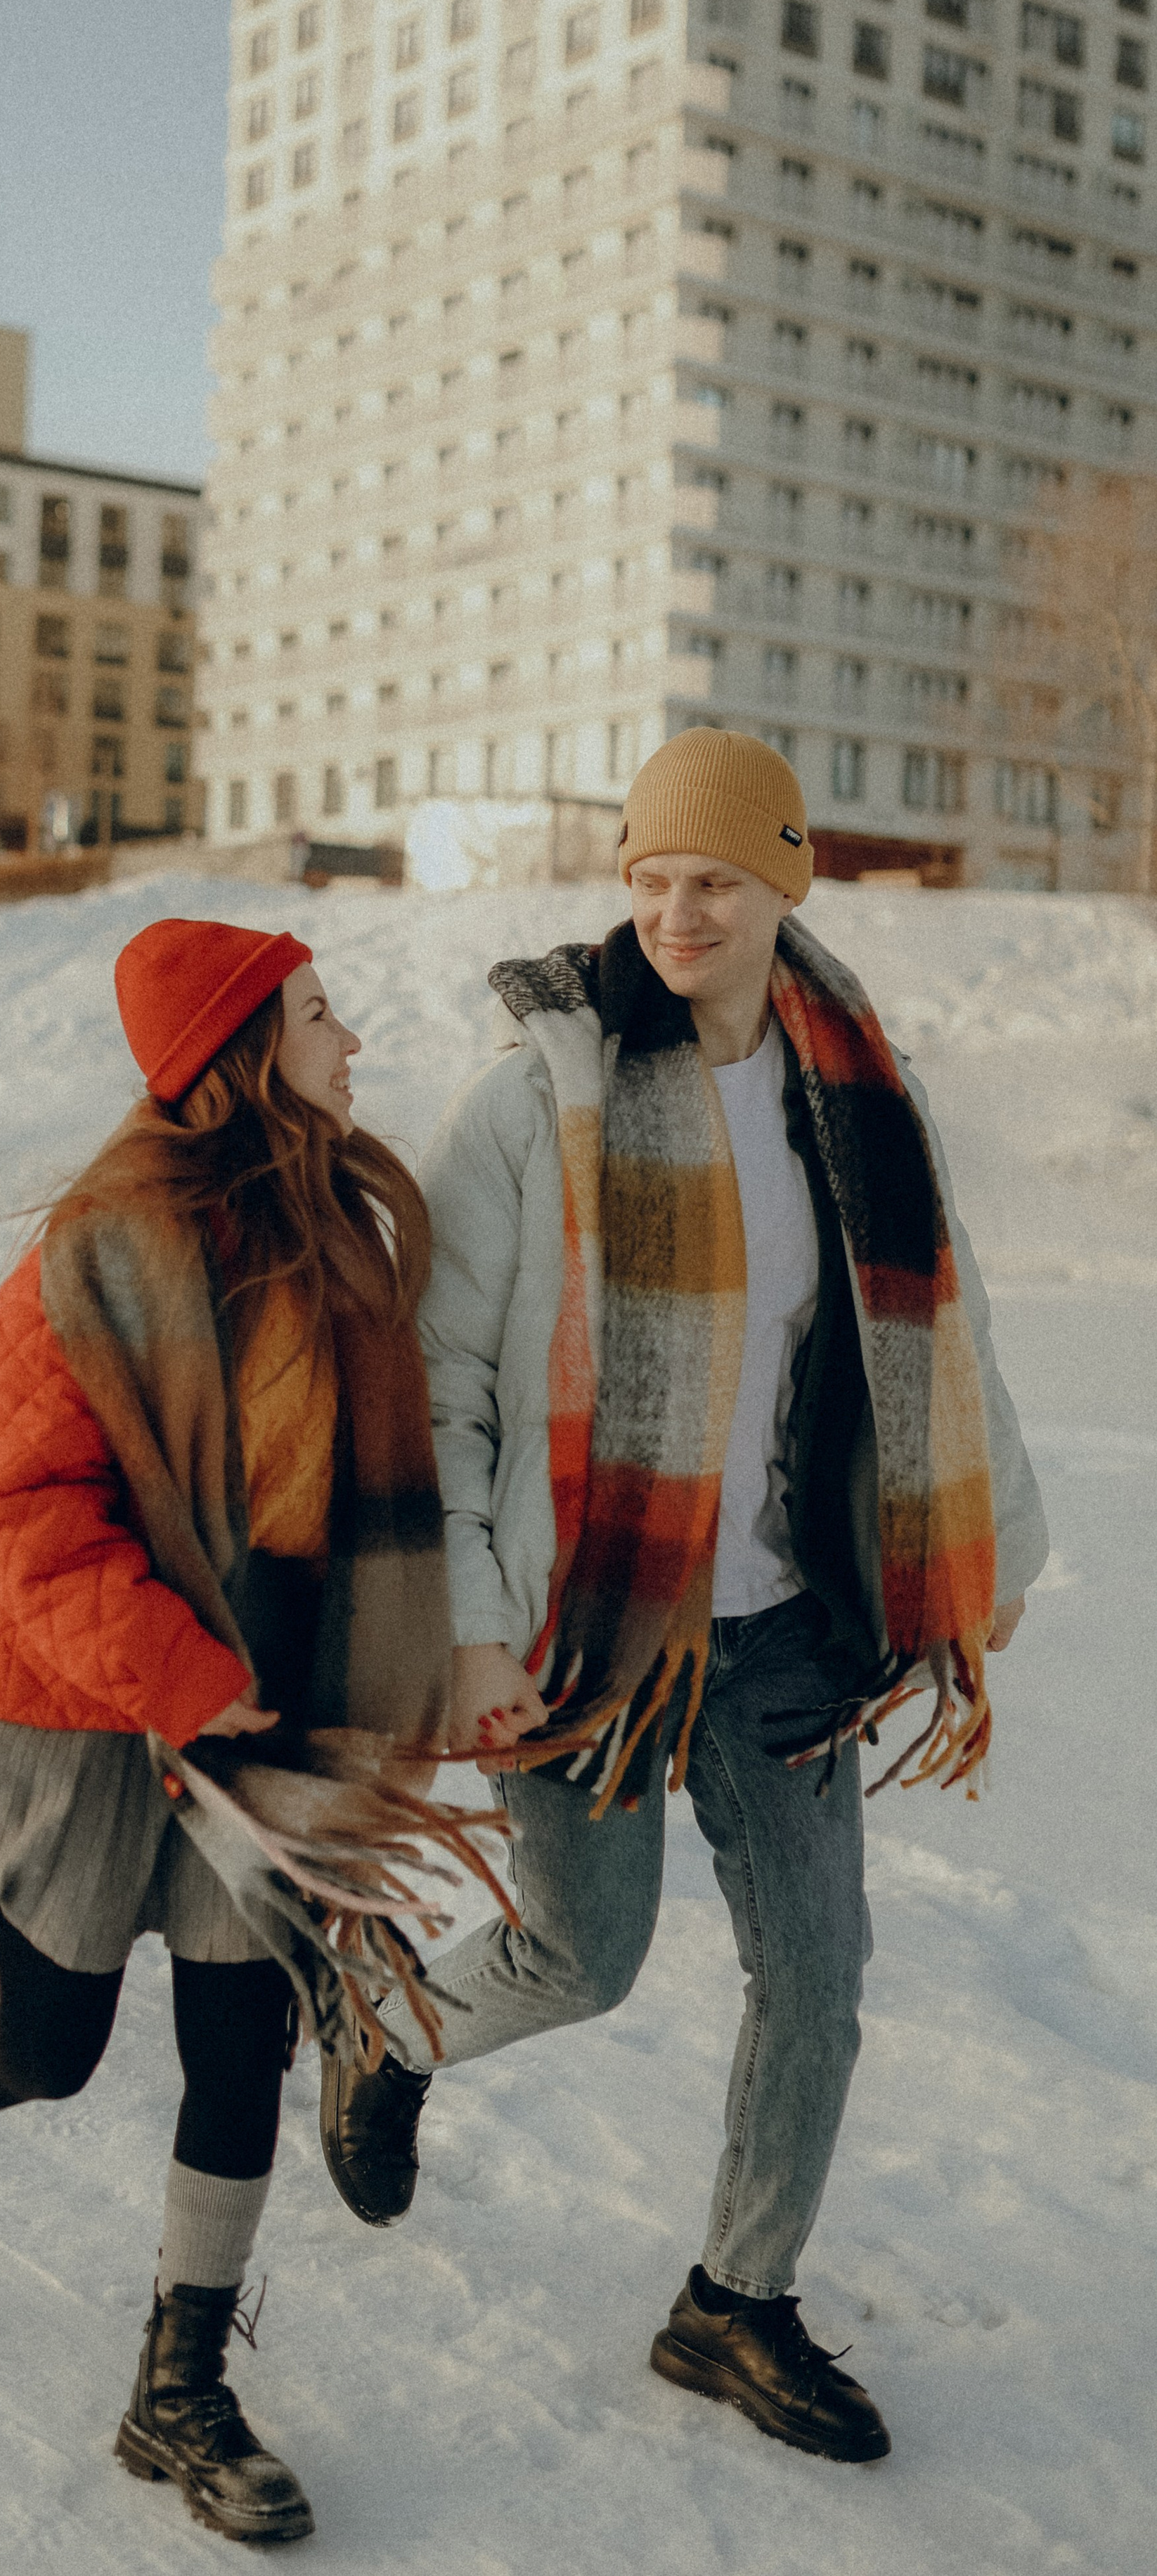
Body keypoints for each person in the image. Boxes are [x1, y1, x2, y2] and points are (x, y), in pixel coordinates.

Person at [318, 730, 1048, 2466]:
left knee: (818, 1977)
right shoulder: (531, 1101)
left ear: (784, 882)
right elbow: (437, 1383)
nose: (674, 913)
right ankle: (383, 2028)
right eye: (647, 879)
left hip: (788, 1624)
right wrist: (473, 1624)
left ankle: (734, 2301)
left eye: (711, 880)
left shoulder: (857, 1097)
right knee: (580, 1959)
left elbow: (938, 1336)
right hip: (589, 1621)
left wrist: (986, 1559)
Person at [0, 915, 459, 2546]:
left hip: (264, 1712)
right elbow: (27, 1523)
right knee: (55, 2046)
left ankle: (179, 2388)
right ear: (241, 1053)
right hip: (93, 1707)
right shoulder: (93, 1259)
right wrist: (176, 1673)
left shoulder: (336, 1241)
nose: (352, 1042)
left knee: (242, 2042)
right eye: (319, 1015)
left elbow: (372, 1493)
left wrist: (392, 1676)